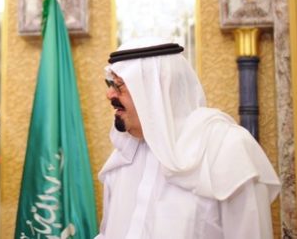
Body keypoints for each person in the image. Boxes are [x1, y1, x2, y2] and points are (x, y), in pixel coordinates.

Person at [96, 37, 280, 239]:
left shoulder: (225, 150)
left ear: (155, 89)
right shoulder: (123, 158)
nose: (109, 94)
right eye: (110, 83)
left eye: (119, 85)